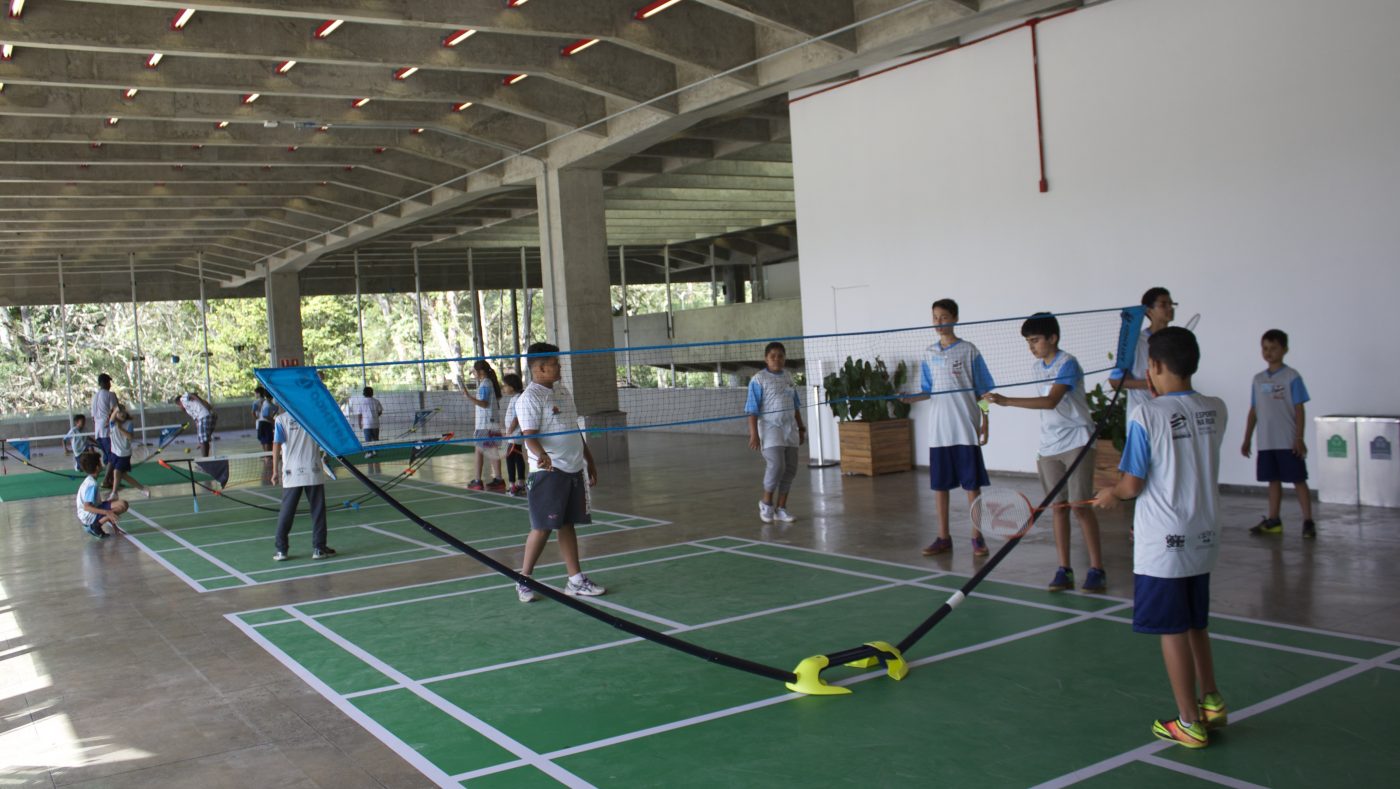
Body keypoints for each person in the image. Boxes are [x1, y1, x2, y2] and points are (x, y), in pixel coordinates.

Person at [1095, 327, 1229, 749]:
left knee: (1172, 629)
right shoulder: (1216, 408)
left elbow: (1132, 483)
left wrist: (1111, 494)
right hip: (1204, 534)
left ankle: (1188, 721)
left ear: (1152, 367)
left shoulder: (1146, 415)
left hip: (1164, 541)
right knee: (1195, 623)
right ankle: (1211, 701)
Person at [983, 312, 1107, 592]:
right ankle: (1065, 569)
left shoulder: (1068, 364)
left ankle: (1097, 569)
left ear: (1053, 337)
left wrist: (1006, 401)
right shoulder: (1038, 367)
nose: (1031, 347)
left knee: (1080, 506)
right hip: (1049, 446)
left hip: (1077, 440)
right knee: (1058, 508)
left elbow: (1051, 401)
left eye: (1036, 340)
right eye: (1028, 341)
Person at [513, 342, 605, 603]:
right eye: (554, 364)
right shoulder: (529, 398)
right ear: (540, 368)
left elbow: (573, 430)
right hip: (549, 472)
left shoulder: (562, 391)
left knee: (567, 524)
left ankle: (575, 580)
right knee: (542, 527)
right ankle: (524, 579)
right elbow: (528, 436)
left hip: (573, 468)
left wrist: (590, 461)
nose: (559, 367)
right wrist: (541, 455)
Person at [902, 299, 995, 556]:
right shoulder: (929, 354)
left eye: (943, 317)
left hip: (965, 425)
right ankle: (944, 537)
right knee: (940, 486)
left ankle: (977, 536)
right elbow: (928, 390)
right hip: (940, 430)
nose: (939, 323)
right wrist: (912, 398)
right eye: (935, 318)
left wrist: (985, 418)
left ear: (954, 318)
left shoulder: (969, 350)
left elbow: (983, 390)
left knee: (971, 484)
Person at [1241, 329, 1315, 538]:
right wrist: (1247, 438)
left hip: (1288, 440)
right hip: (1266, 441)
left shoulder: (1292, 376)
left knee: (1298, 479)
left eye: (1274, 348)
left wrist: (1299, 438)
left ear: (1285, 350)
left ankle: (1308, 521)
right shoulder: (1258, 379)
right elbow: (1254, 411)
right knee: (1272, 480)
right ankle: (1274, 520)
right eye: (1265, 348)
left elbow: (1299, 409)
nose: (1268, 352)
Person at [746, 341, 807, 524]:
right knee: (776, 466)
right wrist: (754, 434)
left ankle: (781, 509)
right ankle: (766, 503)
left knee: (790, 469)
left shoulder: (788, 377)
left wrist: (801, 428)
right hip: (770, 429)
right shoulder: (758, 379)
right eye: (773, 356)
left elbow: (795, 406)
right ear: (766, 359)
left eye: (780, 356)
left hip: (790, 429)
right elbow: (752, 409)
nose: (777, 359)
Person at [271, 409, 335, 562]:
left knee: (286, 511)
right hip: (313, 470)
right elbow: (326, 439)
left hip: (291, 473)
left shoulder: (281, 419)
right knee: (318, 511)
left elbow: (276, 445)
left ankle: (281, 550)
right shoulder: (313, 416)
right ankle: (319, 548)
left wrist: (274, 471)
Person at [1110, 287, 1176, 419]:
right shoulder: (1134, 342)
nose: (1170, 308)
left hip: (1172, 413)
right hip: (1142, 415)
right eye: (1163, 304)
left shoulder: (1177, 340)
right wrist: (1154, 383)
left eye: (1172, 304)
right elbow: (1115, 381)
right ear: (1148, 310)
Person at [461, 360, 505, 491]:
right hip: (490, 423)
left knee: (480, 451)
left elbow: (484, 404)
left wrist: (468, 396)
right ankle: (498, 480)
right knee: (492, 451)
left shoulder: (486, 384)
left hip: (486, 425)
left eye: (474, 371)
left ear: (480, 371)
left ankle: (478, 481)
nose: (473, 373)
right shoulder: (488, 383)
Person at [76, 451, 128, 538]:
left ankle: (97, 524)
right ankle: (95, 526)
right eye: (100, 462)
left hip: (90, 511)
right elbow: (87, 507)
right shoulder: (92, 485)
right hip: (87, 516)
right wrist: (107, 512)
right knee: (121, 506)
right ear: (97, 467)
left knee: (122, 504)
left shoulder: (90, 480)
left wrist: (115, 527)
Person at [106, 404, 151, 500]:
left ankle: (114, 493)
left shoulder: (129, 424)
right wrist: (116, 409)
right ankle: (143, 489)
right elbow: (112, 418)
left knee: (116, 472)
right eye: (119, 412)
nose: (122, 414)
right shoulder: (112, 423)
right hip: (114, 453)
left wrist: (121, 428)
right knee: (122, 475)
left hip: (124, 453)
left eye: (123, 412)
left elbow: (130, 437)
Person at [501, 372, 528, 496]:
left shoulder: (518, 398)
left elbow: (516, 418)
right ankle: (521, 484)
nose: (503, 388)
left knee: (510, 458)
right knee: (516, 458)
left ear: (511, 387)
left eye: (504, 385)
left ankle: (513, 485)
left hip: (514, 435)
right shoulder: (515, 398)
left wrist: (509, 431)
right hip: (514, 435)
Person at [90, 373, 118, 486]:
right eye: (109, 382)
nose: (110, 384)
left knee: (107, 456)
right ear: (105, 383)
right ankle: (107, 480)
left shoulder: (94, 397)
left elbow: (93, 417)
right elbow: (115, 411)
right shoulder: (110, 395)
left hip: (97, 431)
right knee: (113, 455)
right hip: (107, 430)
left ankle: (111, 479)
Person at [173, 389, 217, 457]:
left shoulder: (182, 399)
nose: (179, 408)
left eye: (178, 406)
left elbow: (192, 395)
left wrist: (203, 403)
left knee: (203, 440)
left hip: (204, 414)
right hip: (209, 416)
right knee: (204, 440)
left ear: (179, 403)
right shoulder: (189, 410)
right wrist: (199, 440)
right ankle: (206, 459)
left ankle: (204, 461)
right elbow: (197, 423)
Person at [348, 386, 384, 458]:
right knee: (376, 438)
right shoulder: (376, 401)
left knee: (368, 440)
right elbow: (380, 411)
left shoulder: (362, 402)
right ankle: (375, 451)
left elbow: (359, 414)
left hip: (366, 424)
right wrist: (375, 416)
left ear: (364, 393)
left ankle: (369, 452)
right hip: (375, 423)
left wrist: (359, 423)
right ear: (372, 393)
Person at [252, 386, 278, 451]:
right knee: (267, 440)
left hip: (261, 422)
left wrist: (257, 418)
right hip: (266, 423)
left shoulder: (264, 402)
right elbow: (265, 415)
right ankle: (267, 455)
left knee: (263, 440)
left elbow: (275, 408)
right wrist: (272, 420)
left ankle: (266, 454)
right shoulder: (267, 404)